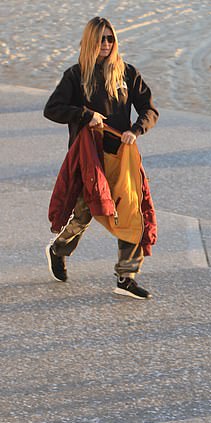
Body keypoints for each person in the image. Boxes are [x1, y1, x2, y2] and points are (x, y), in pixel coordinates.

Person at [44, 16, 159, 299]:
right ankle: (58, 249)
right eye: (101, 38)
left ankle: (126, 277)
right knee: (85, 213)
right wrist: (85, 116)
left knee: (132, 212)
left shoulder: (127, 73)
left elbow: (149, 109)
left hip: (122, 155)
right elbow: (53, 108)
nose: (106, 44)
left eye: (110, 38)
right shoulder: (75, 75)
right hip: (90, 158)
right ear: (89, 41)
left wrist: (136, 129)